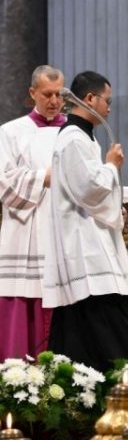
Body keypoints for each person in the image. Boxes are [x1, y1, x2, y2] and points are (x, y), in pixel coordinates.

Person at [43, 71, 128, 372]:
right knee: (108, 320)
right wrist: (111, 165)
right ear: (89, 98)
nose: (109, 108)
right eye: (107, 101)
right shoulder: (73, 138)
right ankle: (122, 385)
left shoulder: (84, 136)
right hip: (85, 247)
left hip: (89, 238)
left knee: (86, 325)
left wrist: (114, 207)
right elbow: (88, 189)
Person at [0, 65, 65, 361]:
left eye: (59, 94)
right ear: (32, 93)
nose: (54, 101)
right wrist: (43, 178)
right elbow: (4, 181)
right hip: (24, 228)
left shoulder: (74, 132)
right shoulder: (11, 132)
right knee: (22, 298)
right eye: (47, 94)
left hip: (61, 227)